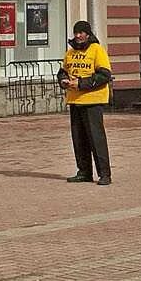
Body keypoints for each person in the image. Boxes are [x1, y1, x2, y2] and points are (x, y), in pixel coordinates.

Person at [58, 20, 114, 183]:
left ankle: (104, 174)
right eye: (76, 32)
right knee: (78, 139)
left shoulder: (97, 50)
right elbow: (62, 72)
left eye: (81, 32)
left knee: (96, 139)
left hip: (92, 101)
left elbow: (104, 75)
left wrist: (81, 83)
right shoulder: (70, 53)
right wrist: (63, 81)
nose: (78, 35)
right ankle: (84, 172)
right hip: (75, 100)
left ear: (88, 34)